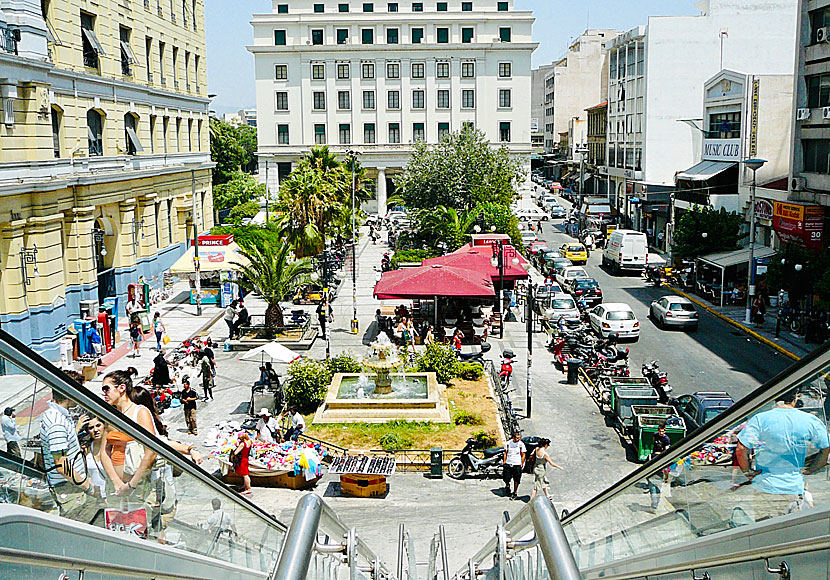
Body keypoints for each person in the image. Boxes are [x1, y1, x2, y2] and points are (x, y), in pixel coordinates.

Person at [734, 388, 829, 521]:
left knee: (763, 532)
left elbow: (740, 450)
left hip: (764, 486)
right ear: (795, 398)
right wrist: (812, 469)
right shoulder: (810, 420)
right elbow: (825, 449)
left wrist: (747, 471)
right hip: (794, 487)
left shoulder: (760, 419)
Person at [40, 389, 99, 522]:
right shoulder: (56, 423)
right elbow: (61, 465)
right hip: (70, 488)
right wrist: (87, 486)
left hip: (73, 484)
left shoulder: (56, 415)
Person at [99, 370, 159, 498]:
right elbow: (104, 452)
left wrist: (131, 485)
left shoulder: (140, 412)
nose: (104, 393)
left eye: (106, 389)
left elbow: (151, 451)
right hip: (116, 488)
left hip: (138, 488)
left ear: (121, 388)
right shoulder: (111, 416)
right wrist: (116, 482)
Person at [82, 415, 109, 499]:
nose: (95, 430)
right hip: (95, 497)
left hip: (113, 495)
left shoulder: (112, 446)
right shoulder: (86, 448)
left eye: (98, 425)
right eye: (91, 428)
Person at [647, 424, 672, 513]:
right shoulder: (655, 436)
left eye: (663, 431)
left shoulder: (666, 439)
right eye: (660, 431)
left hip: (655, 474)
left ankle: (654, 505)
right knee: (655, 489)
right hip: (658, 474)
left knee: (654, 490)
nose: (661, 433)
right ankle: (655, 505)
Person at [502, 432, 526, 500]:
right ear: (513, 438)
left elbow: (523, 454)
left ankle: (514, 492)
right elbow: (505, 453)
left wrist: (522, 463)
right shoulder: (508, 443)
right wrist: (504, 462)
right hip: (508, 463)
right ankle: (507, 485)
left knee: (517, 479)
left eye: (519, 438)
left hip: (517, 464)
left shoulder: (521, 444)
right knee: (506, 477)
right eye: (517, 438)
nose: (518, 439)